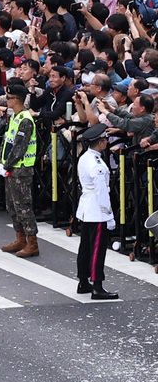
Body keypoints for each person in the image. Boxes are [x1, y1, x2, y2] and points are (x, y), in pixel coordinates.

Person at [75, 123, 119, 299]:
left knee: (85, 246)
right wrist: (108, 215)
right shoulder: (97, 164)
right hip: (96, 210)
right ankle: (97, 285)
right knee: (97, 249)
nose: (106, 142)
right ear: (100, 142)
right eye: (105, 140)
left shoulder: (85, 157)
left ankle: (83, 281)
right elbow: (101, 192)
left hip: (86, 208)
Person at [0, 83, 40, 258]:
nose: (6, 101)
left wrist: (6, 165)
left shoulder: (25, 120)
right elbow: (7, 142)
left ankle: (32, 242)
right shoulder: (14, 117)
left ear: (17, 99)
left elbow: (19, 148)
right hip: (11, 168)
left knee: (23, 206)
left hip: (21, 169)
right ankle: (20, 238)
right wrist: (1, 161)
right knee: (12, 206)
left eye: (9, 98)